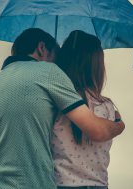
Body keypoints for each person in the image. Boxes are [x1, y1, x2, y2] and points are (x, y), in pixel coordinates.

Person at [0, 28, 125, 189]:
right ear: (42, 48)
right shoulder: (49, 72)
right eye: (57, 56)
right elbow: (96, 130)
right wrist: (119, 124)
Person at [51, 30, 122, 189]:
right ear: (97, 66)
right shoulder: (107, 106)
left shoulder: (57, 101)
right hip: (99, 184)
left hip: (61, 184)